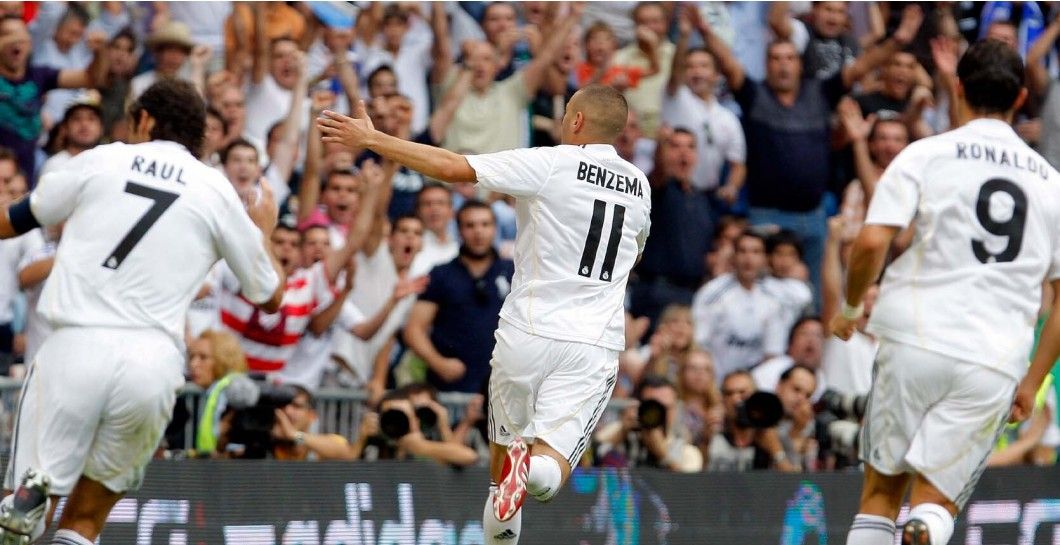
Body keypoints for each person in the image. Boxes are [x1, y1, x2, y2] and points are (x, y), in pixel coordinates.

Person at [317, 82, 651, 544]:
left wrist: (373, 140)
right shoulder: (641, 187)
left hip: (527, 332)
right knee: (551, 470)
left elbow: (454, 167)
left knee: (501, 473)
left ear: (575, 121)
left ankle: (509, 497)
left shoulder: (551, 162)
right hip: (593, 343)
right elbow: (633, 256)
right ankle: (533, 470)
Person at [0, 78, 284, 545]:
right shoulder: (216, 190)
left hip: (74, 345)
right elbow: (269, 297)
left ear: (145, 120)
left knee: (27, 512)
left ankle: (27, 505)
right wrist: (265, 232)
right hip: (153, 364)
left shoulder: (103, 158)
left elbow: (13, 221)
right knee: (87, 518)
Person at [830, 41, 1060, 545]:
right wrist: (1032, 380)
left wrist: (850, 307)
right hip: (993, 357)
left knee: (880, 493)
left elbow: (872, 239)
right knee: (937, 503)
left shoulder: (927, 153)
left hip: (914, 337)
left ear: (956, 88)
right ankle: (928, 528)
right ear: (1021, 98)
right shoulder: (1051, 184)